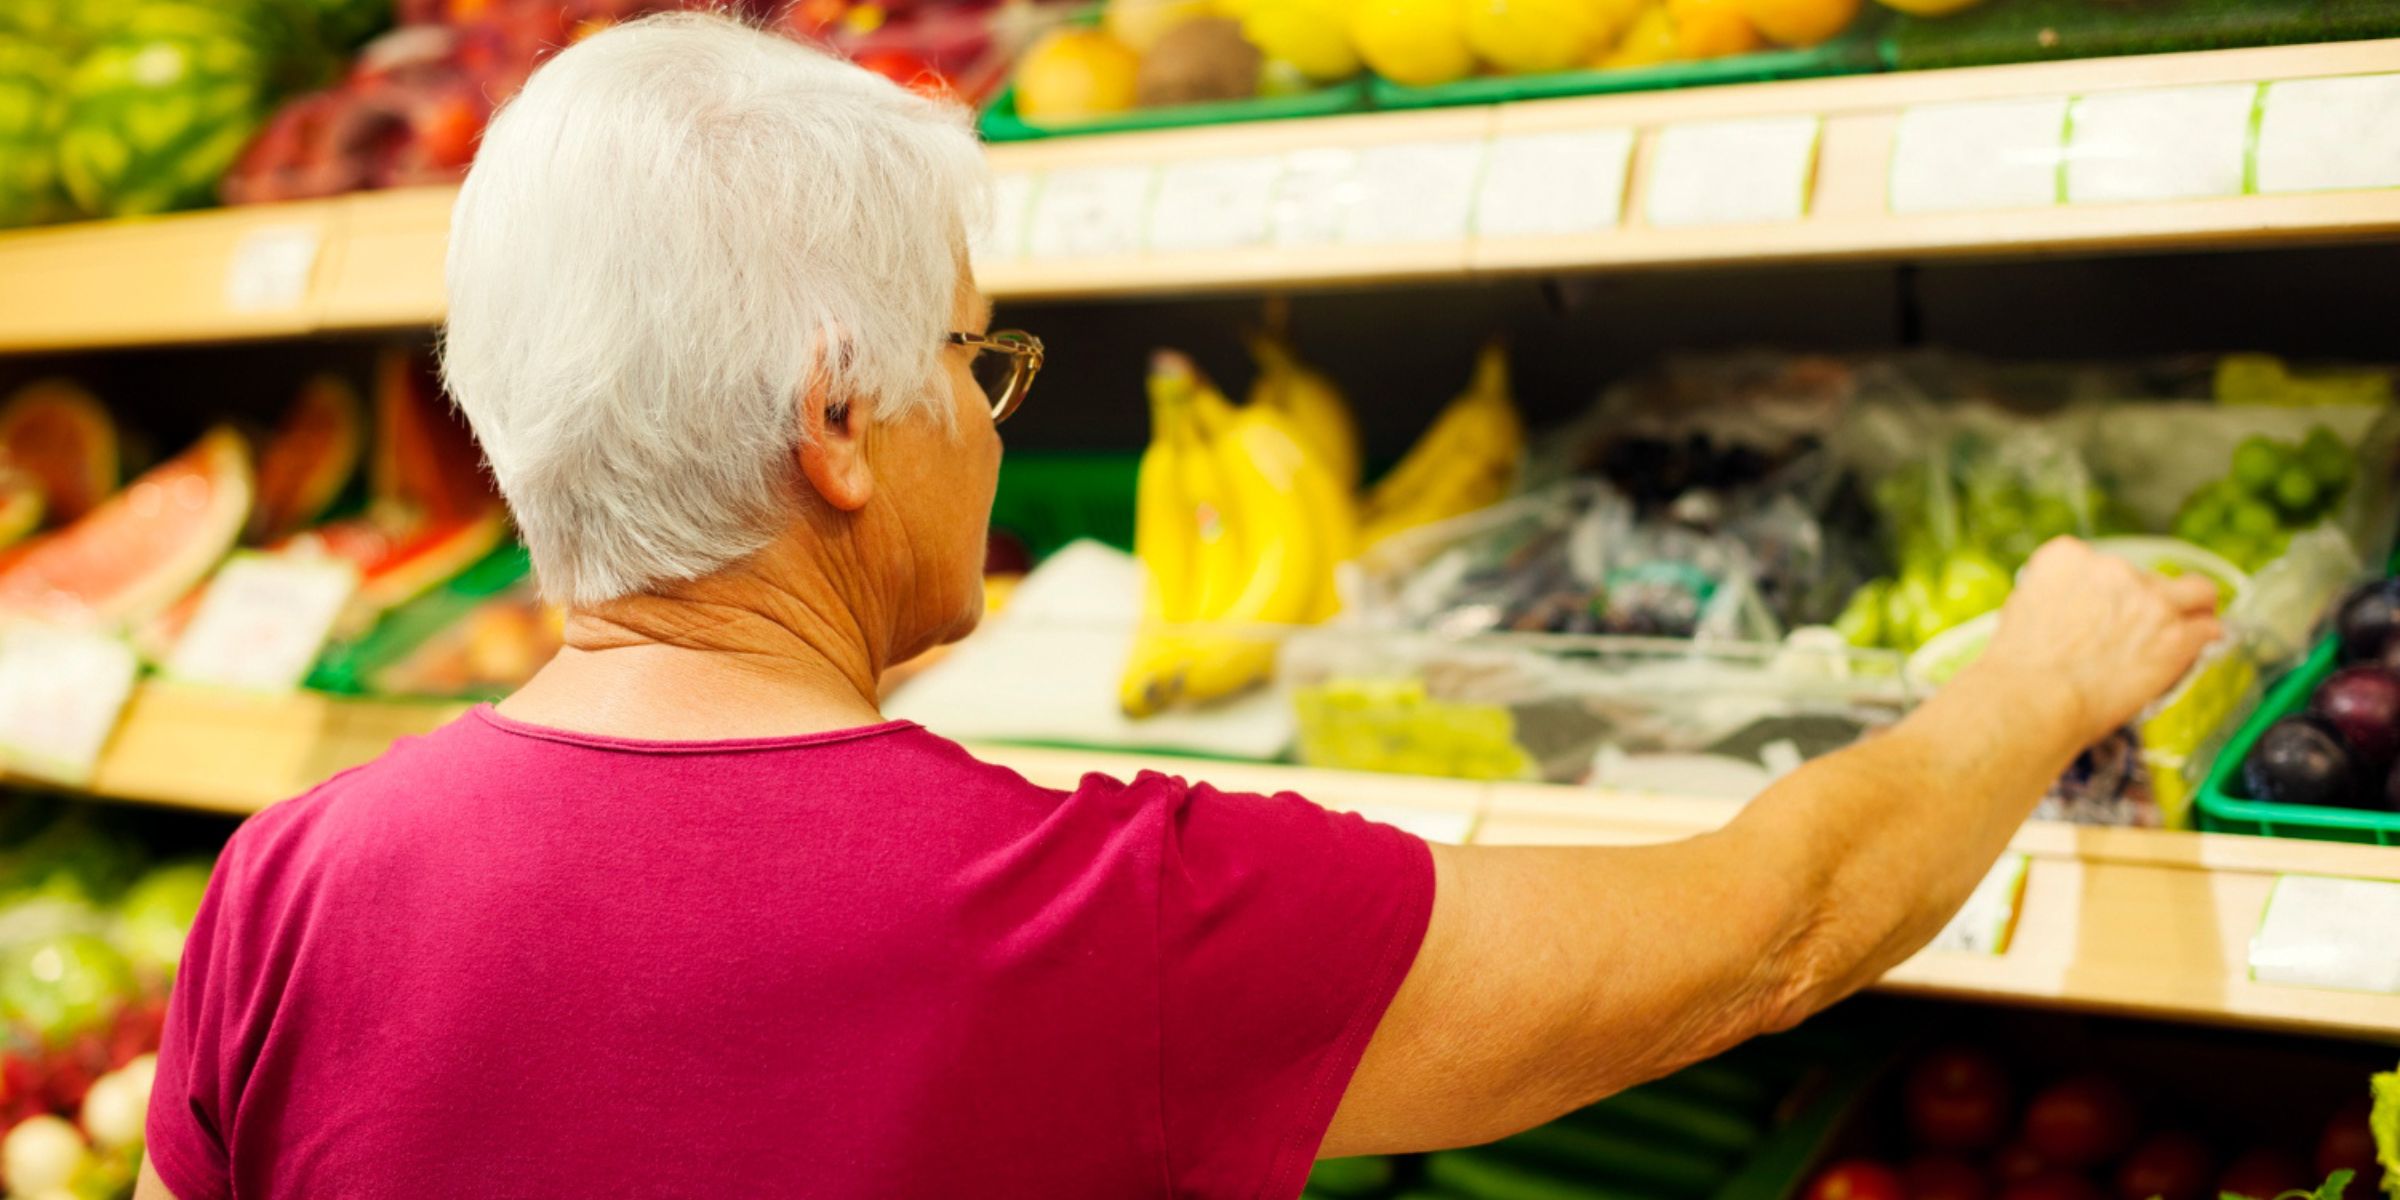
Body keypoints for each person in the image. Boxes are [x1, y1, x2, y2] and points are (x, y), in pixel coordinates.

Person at [137, 13, 2222, 1200]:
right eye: (978, 360)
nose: (990, 414)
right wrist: (2033, 682)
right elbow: (1758, 937)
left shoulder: (292, 889)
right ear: (841, 423)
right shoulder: (1090, 914)